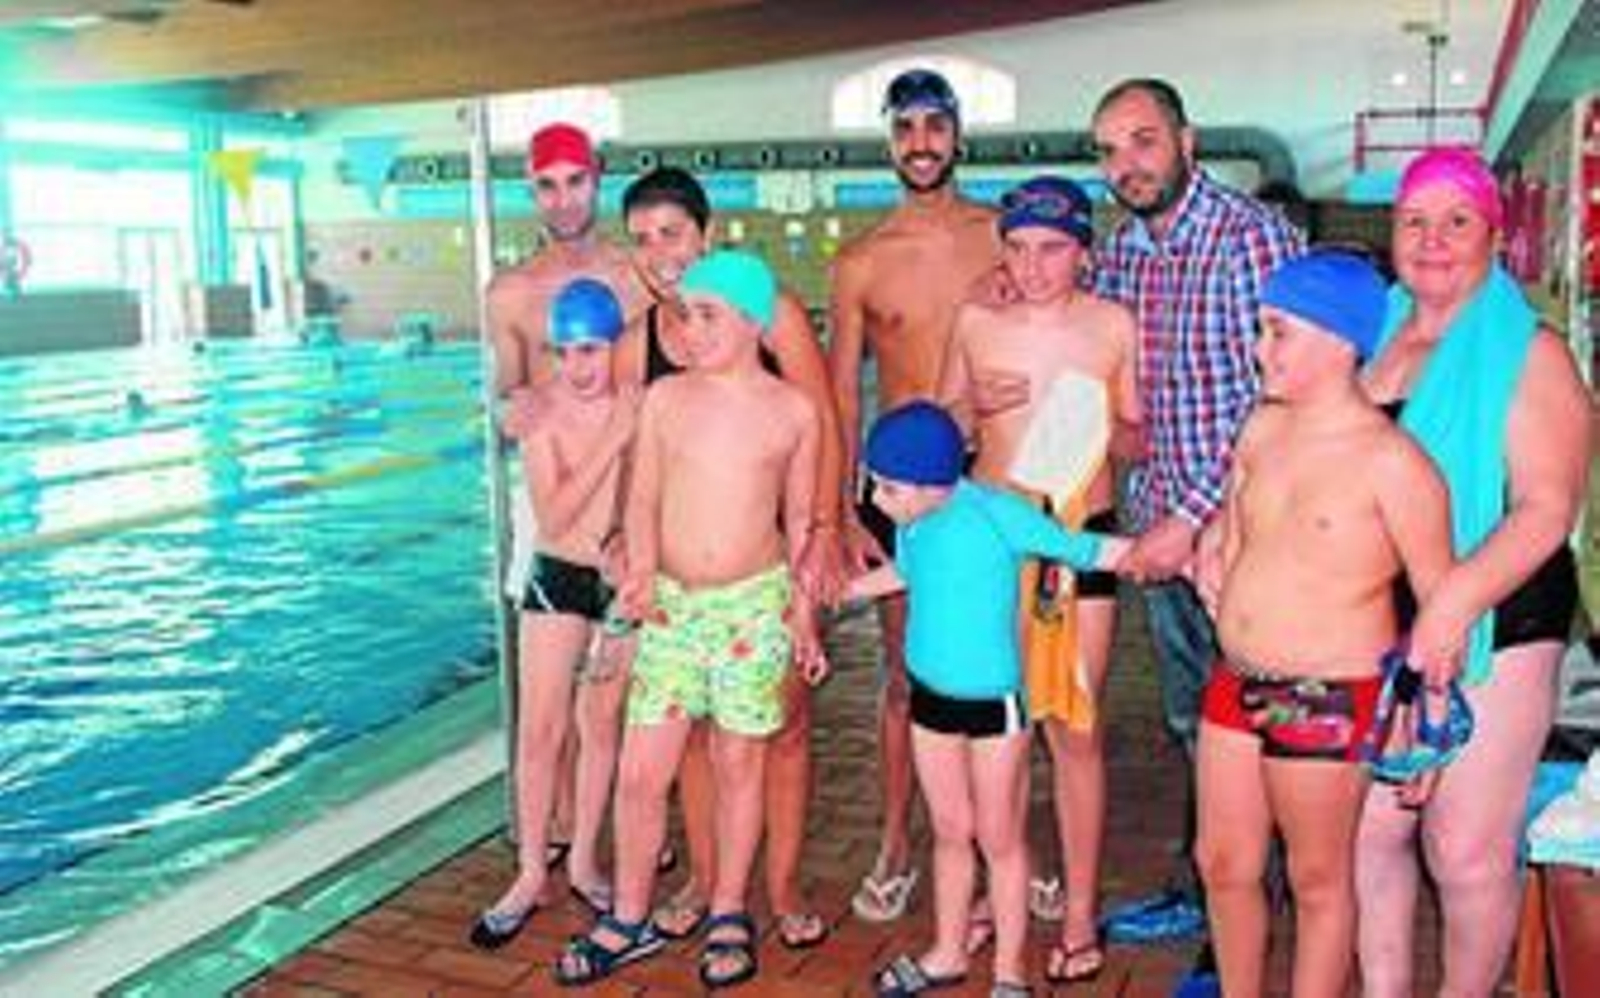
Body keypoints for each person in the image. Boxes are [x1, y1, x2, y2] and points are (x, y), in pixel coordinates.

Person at [1354, 147, 1591, 998]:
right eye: (1415, 221)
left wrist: (1448, 609)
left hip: (1499, 608)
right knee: (1369, 829)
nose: (1434, 240)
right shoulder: (1367, 338)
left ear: (1495, 234)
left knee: (1463, 845)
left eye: (1458, 221)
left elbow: (1546, 509)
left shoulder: (1533, 355)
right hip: (1378, 611)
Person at [554, 250, 827, 989]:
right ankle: (630, 913)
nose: (691, 329)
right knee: (643, 775)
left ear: (754, 323)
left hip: (754, 605)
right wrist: (640, 571)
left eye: (708, 315)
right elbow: (642, 498)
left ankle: (730, 907)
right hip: (672, 606)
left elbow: (802, 521)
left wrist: (803, 614)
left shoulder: (793, 410)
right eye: (685, 314)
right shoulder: (667, 400)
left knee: (741, 765)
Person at [1194, 250, 1455, 998]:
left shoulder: (1392, 462)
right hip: (1237, 679)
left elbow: (1440, 601)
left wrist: (1426, 716)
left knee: (1317, 879)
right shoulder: (1260, 430)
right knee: (1224, 863)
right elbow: (1241, 536)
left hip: (1329, 692)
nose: (1258, 348)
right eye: (1259, 329)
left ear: (1341, 342)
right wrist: (1221, 564)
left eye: (1278, 332)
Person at [1088, 78, 1303, 950]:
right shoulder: (1123, 252)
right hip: (1165, 538)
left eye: (1143, 141)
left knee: (1260, 723)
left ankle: (1245, 910)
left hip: (1245, 532)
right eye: (1108, 150)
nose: (1126, 165)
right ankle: (1213, 887)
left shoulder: (1252, 239)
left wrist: (1194, 513)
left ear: (1188, 139)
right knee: (1193, 723)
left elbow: (1281, 397)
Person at [612, 166, 844, 948]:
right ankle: (713, 882)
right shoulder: (645, 342)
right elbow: (637, 467)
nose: (658, 252)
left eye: (671, 233)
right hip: (678, 588)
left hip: (761, 576)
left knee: (775, 729)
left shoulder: (767, 311)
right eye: (642, 240)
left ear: (705, 235)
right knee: (694, 747)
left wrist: (828, 533)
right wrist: (630, 549)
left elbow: (823, 423)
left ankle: (773, 885)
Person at [848, 401, 1129, 998]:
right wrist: (841, 592)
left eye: (888, 486)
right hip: (931, 700)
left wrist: (1162, 554)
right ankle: (948, 951)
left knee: (999, 837)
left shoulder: (998, 514)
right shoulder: (912, 520)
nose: (875, 498)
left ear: (932, 484)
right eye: (874, 483)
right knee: (950, 830)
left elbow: (1082, 550)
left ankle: (1008, 971)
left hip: (995, 707)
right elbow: (907, 572)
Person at [937, 175, 1141, 982]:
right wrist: (970, 408)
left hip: (1073, 542)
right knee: (1001, 729)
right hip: (992, 547)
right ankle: (1000, 887)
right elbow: (944, 420)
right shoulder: (976, 320)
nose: (1033, 265)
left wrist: (1097, 423)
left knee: (1075, 732)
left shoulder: (1111, 325)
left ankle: (1082, 906)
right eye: (1018, 248)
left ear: (1084, 252)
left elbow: (1136, 438)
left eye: (1052, 248)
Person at [828, 66, 1001, 923]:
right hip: (893, 498)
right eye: (906, 129)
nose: (921, 143)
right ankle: (898, 842)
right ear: (890, 142)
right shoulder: (861, 261)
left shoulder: (1005, 237)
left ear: (957, 134)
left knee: (1003, 672)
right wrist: (833, 515)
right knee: (903, 679)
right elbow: (836, 398)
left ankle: (1008, 844)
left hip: (987, 484)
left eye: (935, 125)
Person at [485, 122, 646, 895]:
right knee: (548, 691)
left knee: (606, 698)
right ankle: (544, 842)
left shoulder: (633, 276)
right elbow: (514, 392)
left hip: (622, 496)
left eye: (574, 180)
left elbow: (647, 394)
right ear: (532, 191)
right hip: (553, 495)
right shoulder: (510, 292)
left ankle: (585, 843)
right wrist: (509, 409)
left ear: (597, 179)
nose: (563, 199)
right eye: (546, 184)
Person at [468, 278, 638, 947]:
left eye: (592, 350)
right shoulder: (542, 415)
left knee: (601, 728)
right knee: (540, 732)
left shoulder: (639, 402)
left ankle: (586, 861)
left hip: (620, 584)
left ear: (615, 345)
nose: (579, 368)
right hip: (559, 576)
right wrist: (613, 438)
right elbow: (556, 516)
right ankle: (531, 870)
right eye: (565, 354)